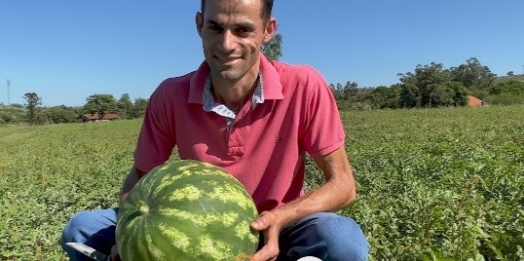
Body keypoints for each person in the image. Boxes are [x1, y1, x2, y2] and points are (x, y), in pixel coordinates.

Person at [61, 0, 370, 260]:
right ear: (199, 25)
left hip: (283, 223)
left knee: (342, 239)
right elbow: (140, 176)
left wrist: (280, 218)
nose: (227, 44)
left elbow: (343, 184)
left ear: (268, 31)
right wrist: (127, 235)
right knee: (82, 228)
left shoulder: (304, 85)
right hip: (195, 229)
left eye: (243, 30)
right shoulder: (170, 96)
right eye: (215, 28)